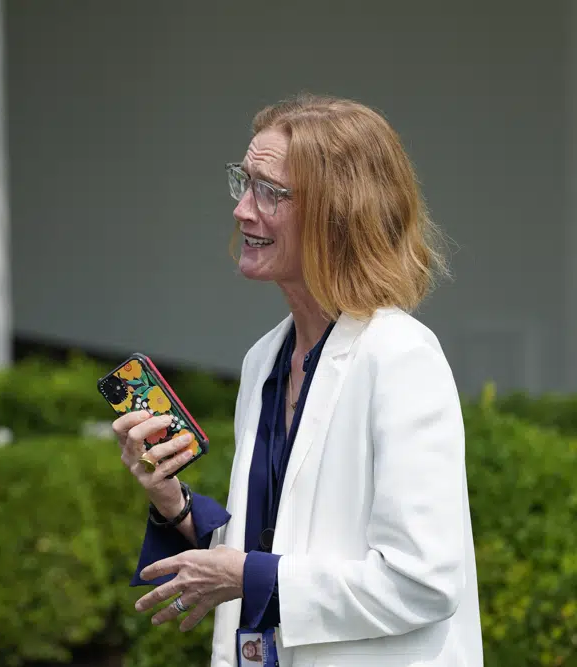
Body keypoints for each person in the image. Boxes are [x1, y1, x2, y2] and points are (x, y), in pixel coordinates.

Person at [112, 94, 482, 666]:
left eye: (270, 191)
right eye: (244, 181)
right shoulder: (265, 359)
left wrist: (251, 577)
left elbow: (423, 584)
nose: (241, 210)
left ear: (340, 212)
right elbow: (273, 548)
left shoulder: (400, 356)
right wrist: (174, 502)